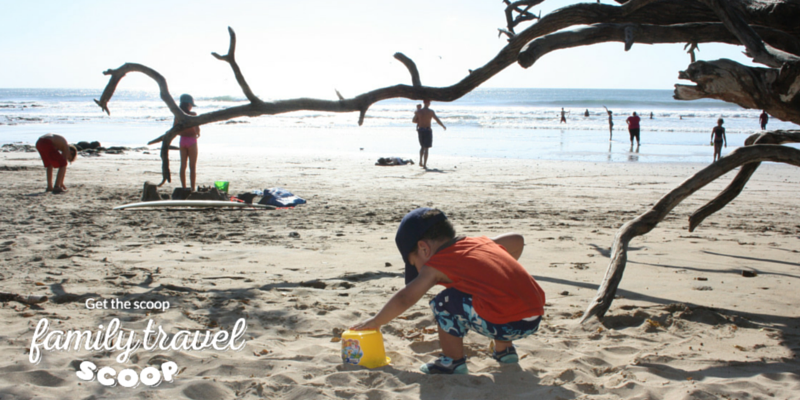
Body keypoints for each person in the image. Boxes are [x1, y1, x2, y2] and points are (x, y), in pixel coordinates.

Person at [350, 208, 546, 375]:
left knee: (443, 302)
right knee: (494, 298)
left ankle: (452, 362)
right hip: (534, 316)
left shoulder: (437, 263)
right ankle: (505, 351)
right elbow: (517, 240)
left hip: (506, 322)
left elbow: (405, 298)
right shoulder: (481, 243)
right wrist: (496, 274)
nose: (419, 271)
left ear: (423, 249)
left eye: (414, 264)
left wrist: (376, 321)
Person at [412, 100, 446, 169]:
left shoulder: (419, 111)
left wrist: (418, 114)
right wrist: (442, 125)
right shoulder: (430, 112)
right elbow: (437, 119)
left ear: (424, 103)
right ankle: (424, 164)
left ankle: (421, 161)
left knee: (422, 147)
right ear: (428, 103)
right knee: (426, 148)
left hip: (421, 130)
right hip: (427, 130)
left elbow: (414, 120)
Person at [176, 94, 200, 191]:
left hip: (182, 141)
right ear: (189, 104)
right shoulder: (193, 115)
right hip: (191, 141)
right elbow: (197, 129)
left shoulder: (178, 115)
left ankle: (184, 187)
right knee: (192, 166)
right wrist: (197, 133)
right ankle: (192, 188)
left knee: (183, 165)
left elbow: (175, 128)